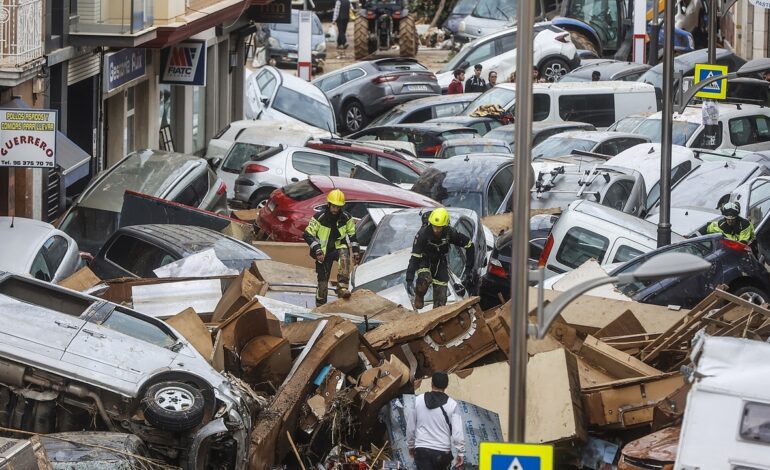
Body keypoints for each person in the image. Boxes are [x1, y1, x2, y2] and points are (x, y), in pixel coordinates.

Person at [405, 208, 475, 309]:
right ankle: (419, 295)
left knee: (441, 301)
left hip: (440, 262)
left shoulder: (450, 233)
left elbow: (469, 245)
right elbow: (414, 258)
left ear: (445, 225)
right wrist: (409, 280)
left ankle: (438, 317)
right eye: (434, 226)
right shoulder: (422, 235)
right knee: (424, 280)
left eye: (439, 227)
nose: (436, 229)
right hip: (424, 260)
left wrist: (468, 269)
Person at [303, 189, 360, 306]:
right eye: (333, 206)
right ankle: (320, 305)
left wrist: (355, 252)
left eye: (338, 207)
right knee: (322, 284)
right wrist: (317, 250)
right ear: (328, 204)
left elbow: (352, 236)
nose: (335, 210)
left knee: (344, 257)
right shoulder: (319, 217)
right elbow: (307, 234)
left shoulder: (346, 218)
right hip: (322, 253)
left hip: (338, 247)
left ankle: (342, 289)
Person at [406, 372, 465, 470]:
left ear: (431, 383)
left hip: (422, 450)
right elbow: (457, 432)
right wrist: (460, 452)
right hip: (442, 452)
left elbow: (410, 427)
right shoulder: (452, 404)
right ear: (446, 385)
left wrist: (411, 445)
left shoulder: (418, 400)